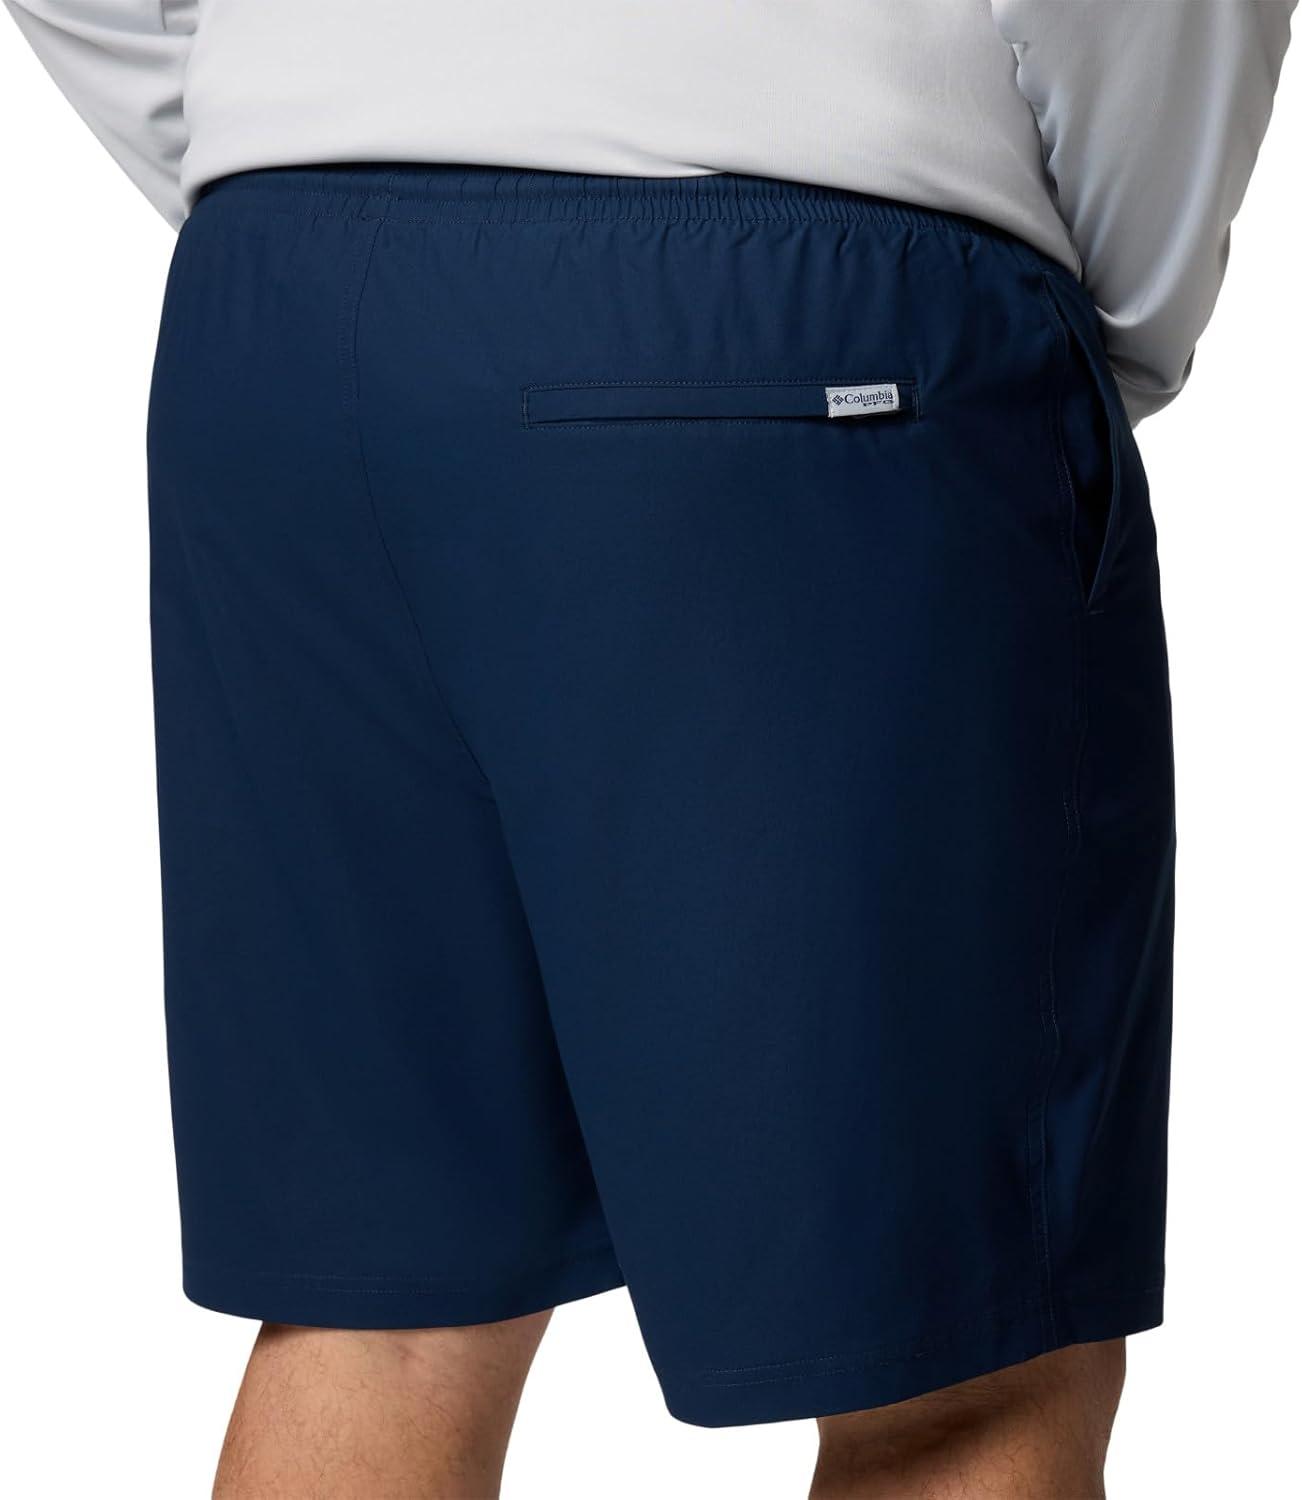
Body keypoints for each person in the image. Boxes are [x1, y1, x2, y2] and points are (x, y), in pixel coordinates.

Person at [5, 3, 1295, 1496]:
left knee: (388, 1311)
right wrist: (1101, 305)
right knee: (963, 1370)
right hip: (790, 309)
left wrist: (280, 110)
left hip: (290, 317)